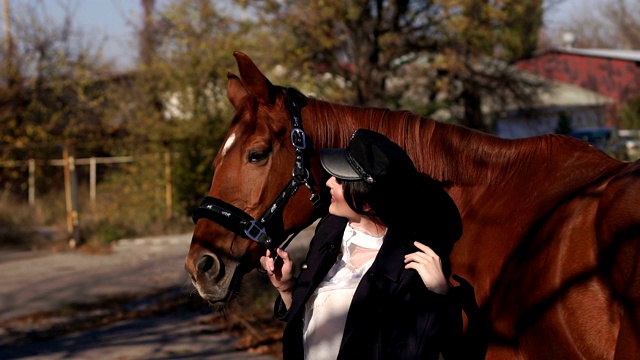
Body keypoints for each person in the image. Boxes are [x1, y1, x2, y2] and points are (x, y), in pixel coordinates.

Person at [260, 128, 463, 360]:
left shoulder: (405, 265)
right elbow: (309, 327)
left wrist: (438, 295)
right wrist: (287, 287)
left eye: (340, 179)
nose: (329, 182)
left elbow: (414, 352)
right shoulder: (329, 233)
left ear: (366, 202)